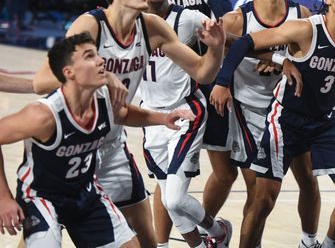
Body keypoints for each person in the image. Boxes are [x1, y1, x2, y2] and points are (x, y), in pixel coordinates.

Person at [31, 0, 225, 247]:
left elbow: (202, 72)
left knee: (145, 235)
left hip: (112, 144)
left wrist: (217, 49)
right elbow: (42, 81)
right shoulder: (90, 24)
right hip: (71, 145)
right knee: (43, 237)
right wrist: (101, 74)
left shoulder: (153, 27)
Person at [0, 32, 197, 247]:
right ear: (69, 73)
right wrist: (3, 198)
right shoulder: (42, 115)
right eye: (89, 56)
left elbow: (124, 114)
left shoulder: (102, 97)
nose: (101, 60)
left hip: (85, 192)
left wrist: (163, 118)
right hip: (41, 197)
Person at [214, 0, 335, 248]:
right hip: (285, 121)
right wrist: (223, 82)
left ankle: (321, 245)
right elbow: (244, 42)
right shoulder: (305, 29)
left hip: (324, 122)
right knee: (263, 201)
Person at [210, 0, 321, 248]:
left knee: (308, 180)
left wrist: (287, 60)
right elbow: (218, 60)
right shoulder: (236, 20)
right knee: (260, 194)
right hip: (252, 113)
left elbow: (313, 63)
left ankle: (310, 241)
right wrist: (225, 85)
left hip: (291, 113)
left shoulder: (303, 17)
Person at [141, 0, 235, 246]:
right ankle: (167, 242)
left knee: (221, 171)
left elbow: (229, 25)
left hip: (202, 89)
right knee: (166, 188)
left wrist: (224, 72)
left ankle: (215, 232)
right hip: (155, 107)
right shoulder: (135, 4)